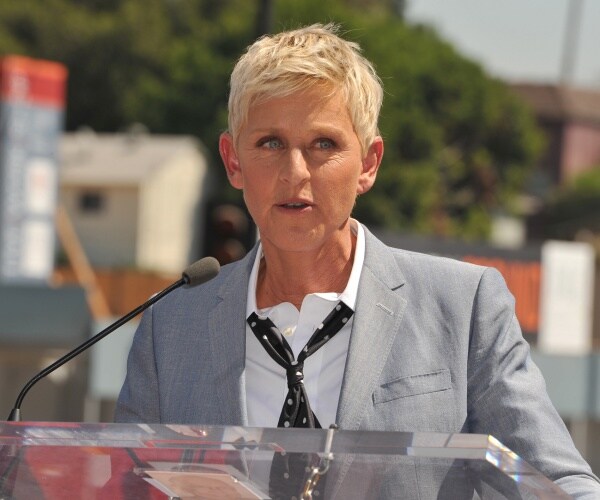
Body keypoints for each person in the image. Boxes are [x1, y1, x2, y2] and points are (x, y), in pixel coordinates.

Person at [116, 24, 600, 498]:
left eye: (323, 144)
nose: (295, 173)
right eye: (271, 143)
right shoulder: (171, 326)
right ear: (233, 161)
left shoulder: (464, 307)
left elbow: (561, 482)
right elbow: (127, 488)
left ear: (368, 164)